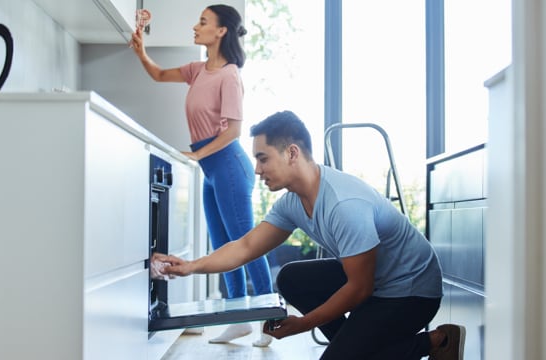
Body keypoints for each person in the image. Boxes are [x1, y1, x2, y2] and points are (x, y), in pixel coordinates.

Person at [153, 110, 467, 360]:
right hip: (378, 282)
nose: (258, 170)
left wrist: (303, 324)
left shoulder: (344, 205)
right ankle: (357, 347)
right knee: (291, 278)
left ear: (291, 153)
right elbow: (246, 246)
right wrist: (191, 266)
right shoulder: (292, 202)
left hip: (411, 292)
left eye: (263, 158)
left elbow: (359, 288)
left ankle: (437, 341)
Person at [130, 4, 274, 347]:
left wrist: (195, 153)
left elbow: (233, 132)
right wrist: (141, 51)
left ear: (221, 31)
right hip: (212, 170)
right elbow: (159, 75)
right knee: (225, 247)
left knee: (247, 246)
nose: (196, 27)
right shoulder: (198, 70)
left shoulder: (229, 75)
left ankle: (269, 320)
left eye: (203, 22)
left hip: (228, 166)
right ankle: (238, 319)